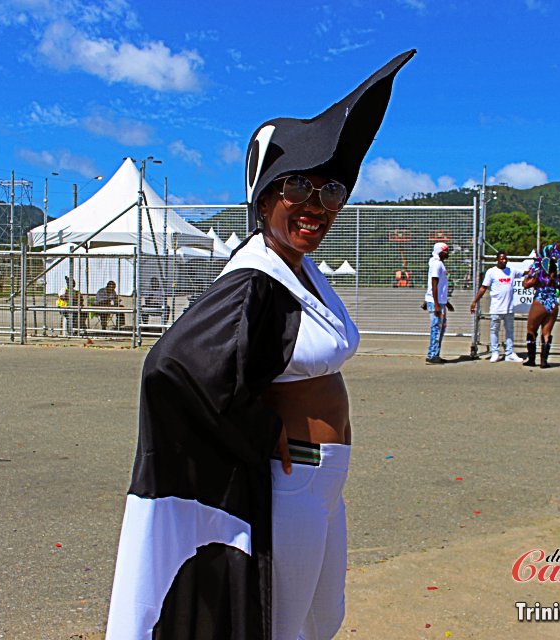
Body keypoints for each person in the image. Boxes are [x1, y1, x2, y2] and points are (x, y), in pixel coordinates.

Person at [106, 50, 415, 640]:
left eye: (330, 192)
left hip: (322, 476)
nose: (315, 206)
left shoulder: (299, 270)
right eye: (297, 185)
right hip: (291, 474)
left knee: (322, 618)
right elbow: (172, 368)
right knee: (283, 626)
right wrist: (258, 434)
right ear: (265, 196)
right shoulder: (255, 279)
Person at [521, 244, 560, 368]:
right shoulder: (558, 277)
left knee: (531, 330)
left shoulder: (539, 274)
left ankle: (532, 359)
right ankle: (544, 361)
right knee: (547, 332)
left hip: (540, 302)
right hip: (553, 304)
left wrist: (529, 275)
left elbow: (526, 285)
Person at [471, 249, 523, 363]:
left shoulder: (512, 270)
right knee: (494, 330)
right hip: (496, 308)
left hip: (509, 308)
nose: (504, 261)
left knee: (510, 330)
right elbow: (483, 287)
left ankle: (509, 353)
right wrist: (475, 301)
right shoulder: (491, 272)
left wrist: (537, 269)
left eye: (505, 259)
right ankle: (495, 352)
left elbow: (525, 273)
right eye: (501, 258)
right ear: (497, 260)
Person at [425, 242, 453, 364]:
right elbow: (434, 283)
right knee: (436, 328)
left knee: (440, 328)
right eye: (445, 251)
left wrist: (445, 302)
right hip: (436, 302)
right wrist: (436, 304)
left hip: (440, 301)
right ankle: (432, 355)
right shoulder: (436, 264)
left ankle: (435, 353)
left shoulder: (438, 263)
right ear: (439, 252)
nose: (447, 253)